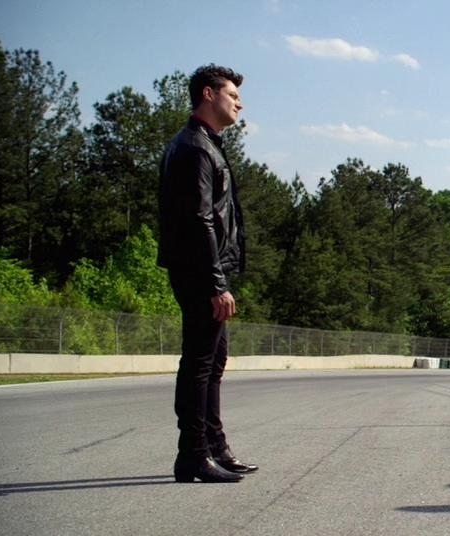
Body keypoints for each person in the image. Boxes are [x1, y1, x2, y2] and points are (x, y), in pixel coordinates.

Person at [158, 64, 257, 483]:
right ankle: (193, 455)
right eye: (232, 94)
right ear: (207, 94)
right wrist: (216, 283)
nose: (239, 103)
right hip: (200, 271)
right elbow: (199, 219)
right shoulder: (195, 147)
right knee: (200, 363)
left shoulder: (204, 143)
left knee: (212, 361)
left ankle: (214, 447)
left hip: (204, 268)